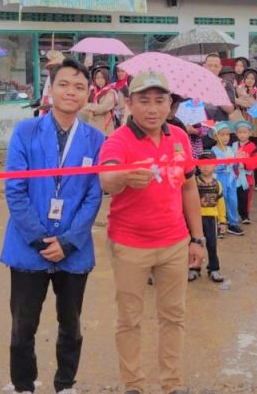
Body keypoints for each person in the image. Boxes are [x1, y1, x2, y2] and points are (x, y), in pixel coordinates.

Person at [1, 58, 105, 394]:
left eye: (79, 86)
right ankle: (23, 386)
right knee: (23, 325)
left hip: (73, 250)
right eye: (63, 84)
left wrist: (70, 241)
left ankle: (65, 385)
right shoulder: (26, 131)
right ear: (51, 88)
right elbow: (15, 191)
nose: (71, 92)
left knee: (71, 324)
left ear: (87, 94)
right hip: (28, 247)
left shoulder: (95, 139)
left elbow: (93, 196)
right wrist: (40, 239)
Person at [98, 70, 206, 394]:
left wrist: (198, 238)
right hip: (130, 245)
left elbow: (189, 188)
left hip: (174, 242)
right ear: (129, 103)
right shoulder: (118, 139)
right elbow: (106, 180)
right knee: (129, 319)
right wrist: (125, 177)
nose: (152, 109)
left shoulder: (180, 137)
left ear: (170, 105)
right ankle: (134, 385)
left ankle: (171, 384)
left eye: (160, 101)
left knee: (173, 317)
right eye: (144, 101)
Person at [191, 152, 226, 283]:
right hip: (195, 219)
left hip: (211, 219)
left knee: (212, 245)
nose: (205, 166)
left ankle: (214, 269)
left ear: (215, 165)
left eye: (209, 163)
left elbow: (221, 204)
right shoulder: (193, 182)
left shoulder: (218, 185)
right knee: (195, 244)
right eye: (202, 163)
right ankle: (194, 268)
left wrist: (223, 221)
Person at [211, 122, 243, 236]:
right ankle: (220, 223)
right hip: (219, 178)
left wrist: (237, 160)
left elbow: (234, 165)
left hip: (231, 178)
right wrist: (224, 164)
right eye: (222, 135)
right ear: (215, 137)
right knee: (221, 201)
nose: (225, 137)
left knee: (233, 200)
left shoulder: (230, 149)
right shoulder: (213, 151)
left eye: (227, 135)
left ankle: (233, 223)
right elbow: (213, 167)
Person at [81, 64, 118, 136]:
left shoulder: (111, 92)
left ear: (106, 78)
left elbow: (103, 108)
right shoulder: (92, 91)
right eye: (97, 78)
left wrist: (89, 107)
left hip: (105, 130)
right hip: (92, 128)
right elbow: (82, 107)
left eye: (102, 78)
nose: (99, 80)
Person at [233, 121, 257, 225]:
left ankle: (245, 215)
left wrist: (245, 164)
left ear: (250, 133)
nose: (242, 134)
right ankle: (234, 214)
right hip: (234, 176)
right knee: (234, 196)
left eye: (245, 132)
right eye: (240, 132)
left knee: (245, 197)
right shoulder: (234, 145)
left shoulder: (253, 146)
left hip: (246, 178)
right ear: (236, 134)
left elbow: (256, 162)